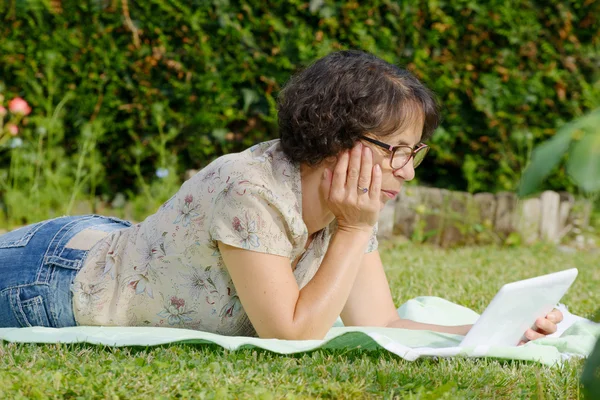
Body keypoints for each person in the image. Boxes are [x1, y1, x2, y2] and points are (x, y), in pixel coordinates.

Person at [0, 50, 562, 340]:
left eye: (412, 152)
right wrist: (356, 231)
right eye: (394, 149)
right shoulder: (253, 188)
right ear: (337, 136)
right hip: (52, 280)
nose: (405, 172)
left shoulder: (347, 202)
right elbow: (291, 333)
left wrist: (494, 326)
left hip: (119, 247)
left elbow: (380, 324)